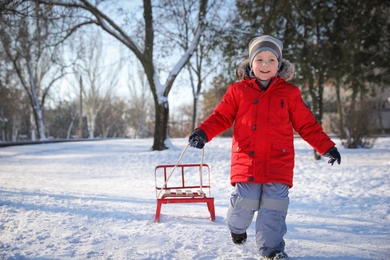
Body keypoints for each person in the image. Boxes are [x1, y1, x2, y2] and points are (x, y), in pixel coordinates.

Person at [188, 35, 341, 260]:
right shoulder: (238, 91)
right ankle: (237, 229)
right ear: (251, 63)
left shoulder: (288, 93)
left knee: (274, 209)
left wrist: (326, 147)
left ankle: (272, 251)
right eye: (259, 60)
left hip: (278, 163)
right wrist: (203, 132)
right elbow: (221, 116)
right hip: (247, 161)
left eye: (271, 60)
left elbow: (306, 124)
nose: (265, 65)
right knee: (244, 205)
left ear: (279, 64)